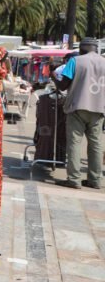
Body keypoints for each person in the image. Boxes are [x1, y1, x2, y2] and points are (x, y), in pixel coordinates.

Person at [53, 37, 105, 189]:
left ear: (82, 48)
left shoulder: (75, 61)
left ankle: (74, 179)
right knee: (96, 144)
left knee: (74, 143)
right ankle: (95, 180)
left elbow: (63, 85)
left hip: (77, 107)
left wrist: (53, 77)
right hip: (99, 109)